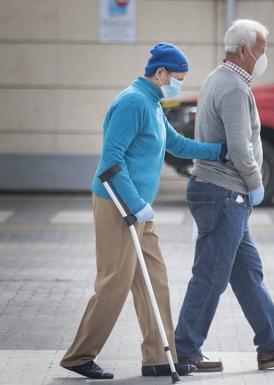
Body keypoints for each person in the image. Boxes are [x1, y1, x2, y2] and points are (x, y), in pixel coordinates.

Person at [60, 42, 228, 380]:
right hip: (118, 205)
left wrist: (220, 151)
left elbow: (176, 145)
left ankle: (157, 358)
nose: (178, 84)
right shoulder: (132, 102)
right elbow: (111, 161)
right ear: (160, 72)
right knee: (114, 282)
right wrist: (135, 206)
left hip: (139, 210)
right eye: (177, 77)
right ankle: (79, 355)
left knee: (155, 280)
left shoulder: (153, 104)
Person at [174, 19, 274, 372]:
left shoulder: (217, 78)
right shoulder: (233, 87)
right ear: (245, 50)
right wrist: (254, 181)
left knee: (248, 273)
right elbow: (239, 146)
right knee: (211, 275)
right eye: (261, 50)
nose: (264, 57)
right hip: (224, 193)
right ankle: (186, 348)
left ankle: (272, 346)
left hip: (221, 192)